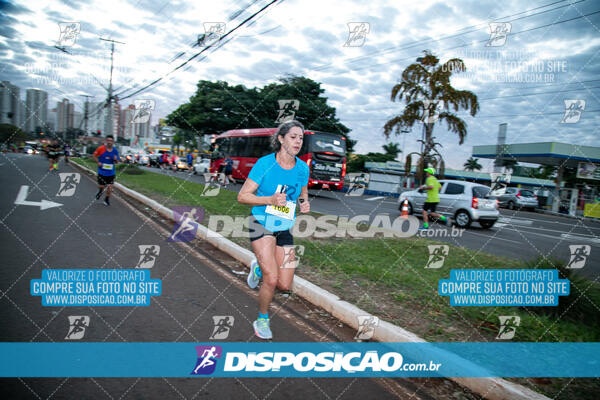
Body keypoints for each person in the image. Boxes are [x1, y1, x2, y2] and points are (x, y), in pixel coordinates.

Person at [237, 120, 310, 340]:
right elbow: (242, 196)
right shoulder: (265, 164)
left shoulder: (302, 168)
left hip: (284, 226)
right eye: (293, 137)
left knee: (284, 284)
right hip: (260, 222)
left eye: (301, 138)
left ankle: (258, 266)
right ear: (281, 139)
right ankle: (262, 318)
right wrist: (269, 199)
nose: (298, 142)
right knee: (271, 278)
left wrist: (304, 203)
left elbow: (302, 192)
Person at [93, 135, 119, 206]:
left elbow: (117, 162)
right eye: (108, 140)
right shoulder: (101, 148)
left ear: (113, 142)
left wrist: (115, 159)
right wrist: (98, 162)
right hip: (102, 172)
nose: (109, 142)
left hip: (111, 172)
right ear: (106, 141)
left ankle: (106, 199)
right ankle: (100, 191)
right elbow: (94, 155)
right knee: (101, 186)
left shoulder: (115, 150)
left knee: (110, 187)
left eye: (111, 141)